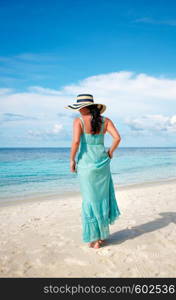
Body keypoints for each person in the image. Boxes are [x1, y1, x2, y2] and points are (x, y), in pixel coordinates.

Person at [65, 94, 121, 249]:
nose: (78, 111)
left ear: (84, 107)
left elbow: (76, 142)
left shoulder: (79, 121)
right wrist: (110, 152)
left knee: (90, 200)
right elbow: (117, 138)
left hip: (86, 164)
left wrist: (71, 159)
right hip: (102, 163)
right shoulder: (106, 121)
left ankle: (95, 239)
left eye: (79, 107)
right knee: (101, 198)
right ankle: (101, 236)